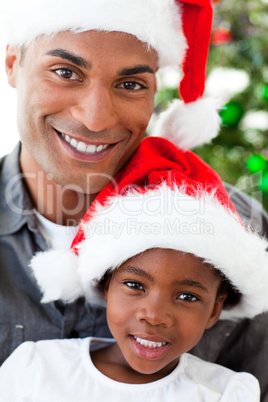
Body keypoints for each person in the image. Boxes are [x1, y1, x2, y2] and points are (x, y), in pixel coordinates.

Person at [0, 0, 268, 399]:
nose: (95, 118)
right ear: (12, 64)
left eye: (129, 84)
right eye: (65, 72)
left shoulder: (239, 230)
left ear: (154, 90)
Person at [0, 136, 265, 401]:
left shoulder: (225, 392)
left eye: (187, 296)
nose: (154, 315)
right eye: (135, 285)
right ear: (105, 285)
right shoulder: (37, 368)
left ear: (215, 309)